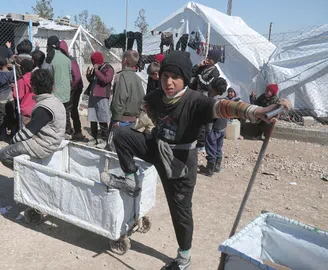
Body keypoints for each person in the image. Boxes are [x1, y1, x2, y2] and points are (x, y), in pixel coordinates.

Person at [100, 51, 288, 270]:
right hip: (157, 147)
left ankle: (183, 259)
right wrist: (146, 121)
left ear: (184, 78)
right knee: (121, 135)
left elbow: (225, 107)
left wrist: (258, 112)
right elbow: (146, 109)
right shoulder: (156, 97)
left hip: (180, 162)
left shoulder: (196, 102)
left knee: (180, 210)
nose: (168, 82)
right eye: (164, 76)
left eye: (174, 77)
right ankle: (131, 180)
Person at [0, 69, 66, 168]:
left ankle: (27, 174)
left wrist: (12, 142)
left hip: (44, 146)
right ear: (52, 86)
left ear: (33, 88)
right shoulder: (56, 101)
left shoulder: (43, 107)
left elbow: (28, 132)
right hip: (53, 141)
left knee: (4, 154)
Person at [108, 50, 145, 150]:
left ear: (124, 60)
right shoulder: (138, 78)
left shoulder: (121, 76)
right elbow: (142, 99)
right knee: (128, 148)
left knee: (116, 149)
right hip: (133, 121)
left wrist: (116, 119)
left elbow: (119, 99)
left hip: (121, 120)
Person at [191, 49, 222, 152]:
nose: (208, 59)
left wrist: (199, 77)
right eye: (208, 57)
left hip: (205, 98)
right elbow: (191, 73)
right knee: (195, 119)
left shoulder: (215, 72)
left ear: (215, 61)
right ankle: (194, 139)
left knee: (204, 122)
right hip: (196, 96)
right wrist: (198, 66)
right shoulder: (203, 67)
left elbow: (207, 85)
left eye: (211, 58)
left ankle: (202, 144)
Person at [86, 52, 114, 147]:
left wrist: (97, 71)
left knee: (102, 118)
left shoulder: (108, 68)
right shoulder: (96, 69)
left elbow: (106, 80)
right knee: (93, 118)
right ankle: (94, 137)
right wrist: (89, 77)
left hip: (102, 97)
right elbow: (95, 81)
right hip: (93, 95)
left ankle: (104, 139)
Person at [45, 36, 72, 136]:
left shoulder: (50, 60)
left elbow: (46, 77)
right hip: (66, 93)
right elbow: (70, 77)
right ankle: (67, 131)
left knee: (55, 116)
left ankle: (57, 133)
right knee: (65, 114)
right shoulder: (67, 59)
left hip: (55, 93)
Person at [59, 40, 84, 141]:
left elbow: (76, 77)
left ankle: (70, 131)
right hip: (74, 87)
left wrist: (70, 87)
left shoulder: (69, 60)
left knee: (68, 109)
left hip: (75, 88)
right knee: (72, 110)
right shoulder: (66, 59)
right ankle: (76, 131)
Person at [204, 77, 228, 176]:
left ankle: (210, 169)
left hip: (213, 128)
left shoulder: (213, 101)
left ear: (213, 88)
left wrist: (207, 130)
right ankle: (217, 166)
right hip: (222, 127)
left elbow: (209, 117)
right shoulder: (226, 100)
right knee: (219, 147)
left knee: (211, 147)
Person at [0, 57, 15, 141]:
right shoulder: (11, 73)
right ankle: (13, 133)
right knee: (11, 115)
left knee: (1, 117)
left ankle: (2, 135)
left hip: (1, 99)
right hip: (10, 97)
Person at [13, 59, 35, 125]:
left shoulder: (21, 81)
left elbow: (17, 96)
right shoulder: (36, 78)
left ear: (22, 68)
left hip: (25, 111)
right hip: (36, 108)